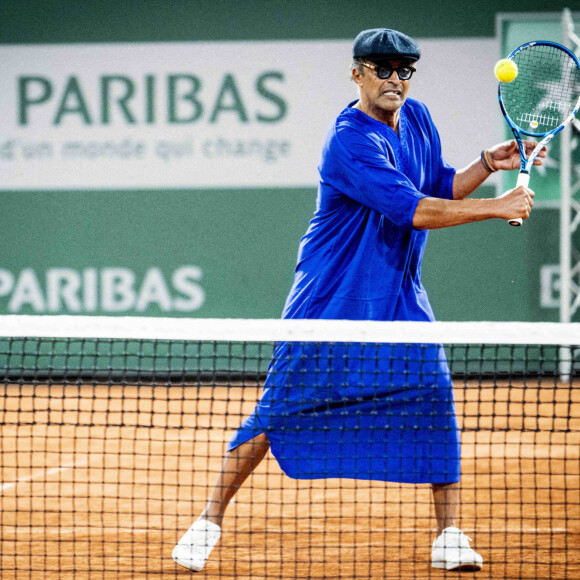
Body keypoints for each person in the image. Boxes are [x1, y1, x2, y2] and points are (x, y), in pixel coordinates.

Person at [172, 28, 545, 573]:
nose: (395, 79)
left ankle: (448, 535)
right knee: (276, 412)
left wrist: (487, 164)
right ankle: (207, 521)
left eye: (404, 70)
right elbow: (413, 209)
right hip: (330, 296)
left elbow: (437, 185)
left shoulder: (417, 119)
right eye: (382, 68)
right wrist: (498, 205)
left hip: (398, 292)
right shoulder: (349, 139)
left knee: (434, 397)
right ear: (357, 73)